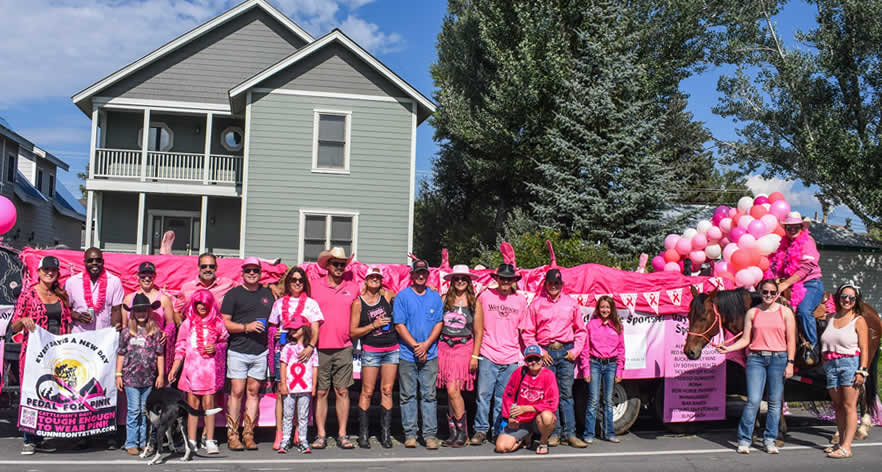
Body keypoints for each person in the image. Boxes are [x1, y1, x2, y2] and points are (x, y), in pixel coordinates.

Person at [717, 279, 796, 454]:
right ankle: (744, 439)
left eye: (772, 292)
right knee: (753, 401)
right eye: (765, 292)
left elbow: (791, 340)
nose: (769, 295)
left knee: (775, 403)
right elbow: (745, 340)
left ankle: (770, 439)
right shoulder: (753, 312)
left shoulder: (786, 312)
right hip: (756, 360)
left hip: (779, 359)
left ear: (777, 294)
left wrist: (790, 363)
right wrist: (727, 348)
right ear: (760, 292)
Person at [64, 247, 124, 449]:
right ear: (84, 261)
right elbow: (66, 310)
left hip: (104, 345)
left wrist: (115, 330)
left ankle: (108, 432)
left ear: (103, 260)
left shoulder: (114, 282)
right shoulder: (72, 283)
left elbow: (116, 309)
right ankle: (84, 433)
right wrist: (78, 316)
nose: (94, 264)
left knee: (106, 387)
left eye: (98, 260)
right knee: (82, 388)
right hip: (80, 343)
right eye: (90, 261)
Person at [520, 269, 588, 448]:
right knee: (550, 396)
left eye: (557, 283)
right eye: (551, 283)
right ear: (546, 284)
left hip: (565, 352)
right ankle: (554, 433)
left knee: (566, 394)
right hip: (546, 353)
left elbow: (581, 331)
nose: (554, 286)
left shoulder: (571, 304)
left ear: (562, 284)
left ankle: (571, 434)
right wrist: (541, 353)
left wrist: (575, 351)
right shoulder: (536, 304)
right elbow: (527, 333)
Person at [12, 256, 70, 455]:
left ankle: (41, 435)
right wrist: (24, 320)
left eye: (53, 270)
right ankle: (29, 438)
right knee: (30, 393)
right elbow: (14, 324)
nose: (49, 272)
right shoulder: (28, 294)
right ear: (38, 272)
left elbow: (68, 322)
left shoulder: (61, 295)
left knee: (48, 392)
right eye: (46, 269)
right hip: (33, 353)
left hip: (55, 353)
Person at [220, 257, 275, 451]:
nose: (252, 274)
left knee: (253, 393)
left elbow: (276, 320)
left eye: (255, 271)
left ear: (260, 273)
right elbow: (224, 323)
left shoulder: (268, 294)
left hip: (260, 351)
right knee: (236, 392)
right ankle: (232, 435)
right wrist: (246, 327)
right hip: (238, 350)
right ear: (242, 273)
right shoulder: (233, 295)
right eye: (248, 271)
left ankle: (248, 434)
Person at [471, 263, 528, 445]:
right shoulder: (485, 297)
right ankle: (480, 430)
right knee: (483, 395)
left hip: (511, 356)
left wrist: (525, 355)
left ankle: (498, 430)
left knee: (503, 398)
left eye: (508, 279)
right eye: (502, 278)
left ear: (513, 281)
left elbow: (523, 330)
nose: (505, 281)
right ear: (496, 279)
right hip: (488, 353)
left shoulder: (520, 301)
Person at [268, 266, 323, 450]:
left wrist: (310, 347)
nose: (297, 283)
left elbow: (315, 329)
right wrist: (274, 334)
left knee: (302, 394)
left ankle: (300, 432)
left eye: (300, 280)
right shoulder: (278, 304)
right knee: (282, 394)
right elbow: (272, 327)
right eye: (294, 279)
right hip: (282, 352)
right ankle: (281, 433)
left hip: (304, 352)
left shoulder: (311, 304)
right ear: (288, 282)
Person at [169, 289, 230, 455]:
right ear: (194, 305)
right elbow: (180, 347)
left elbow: (224, 342)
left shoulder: (218, 323)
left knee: (209, 404)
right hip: (191, 371)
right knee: (192, 406)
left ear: (211, 304)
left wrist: (216, 347)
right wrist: (175, 368)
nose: (202, 306)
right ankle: (192, 440)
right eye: (198, 303)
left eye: (205, 303)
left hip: (209, 371)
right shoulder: (187, 324)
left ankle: (210, 440)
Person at [310, 248, 359, 450]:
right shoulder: (313, 286)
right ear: (327, 265)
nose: (339, 267)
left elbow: (378, 294)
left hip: (344, 347)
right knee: (321, 392)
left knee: (342, 391)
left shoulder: (354, 287)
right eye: (335, 264)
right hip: (319, 347)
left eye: (342, 264)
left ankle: (342, 434)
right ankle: (320, 435)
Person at [394, 259, 444, 449]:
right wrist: (416, 346)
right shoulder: (403, 297)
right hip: (408, 354)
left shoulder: (435, 297)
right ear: (412, 275)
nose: (421, 275)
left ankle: (430, 435)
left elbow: (439, 323)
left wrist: (426, 345)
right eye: (418, 273)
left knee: (429, 395)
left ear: (427, 275)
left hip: (430, 355)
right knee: (407, 395)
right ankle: (410, 434)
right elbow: (399, 324)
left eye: (424, 272)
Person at [765, 211, 825, 364]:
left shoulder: (807, 242)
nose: (792, 230)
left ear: (801, 227)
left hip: (810, 284)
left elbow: (806, 268)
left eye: (795, 227)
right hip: (789, 284)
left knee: (804, 311)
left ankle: (812, 347)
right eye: (788, 228)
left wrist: (785, 283)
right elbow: (777, 265)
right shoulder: (784, 244)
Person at [349, 265, 398, 449]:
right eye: (372, 277)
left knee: (387, 390)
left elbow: (403, 295)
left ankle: (385, 434)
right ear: (366, 280)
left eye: (378, 277)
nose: (375, 280)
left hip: (391, 348)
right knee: (367, 391)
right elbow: (353, 332)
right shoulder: (358, 303)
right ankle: (364, 434)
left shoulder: (387, 296)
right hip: (371, 349)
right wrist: (373, 325)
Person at [820, 283, 870, 459]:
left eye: (851, 298)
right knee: (838, 406)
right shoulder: (831, 318)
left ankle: (847, 447)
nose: (847, 300)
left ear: (856, 301)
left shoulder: (859, 320)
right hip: (830, 365)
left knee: (849, 406)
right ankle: (840, 443)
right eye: (844, 296)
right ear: (838, 297)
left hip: (849, 364)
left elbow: (865, 348)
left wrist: (862, 371)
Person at [437, 264, 484, 447]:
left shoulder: (475, 302)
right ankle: (453, 433)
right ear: (452, 281)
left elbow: (479, 332)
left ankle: (463, 433)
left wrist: (475, 356)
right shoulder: (444, 300)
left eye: (464, 278)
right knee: (450, 393)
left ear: (469, 281)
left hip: (464, 348)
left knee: (453, 389)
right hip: (444, 347)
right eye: (457, 278)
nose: (460, 281)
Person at [116, 293, 165, 455]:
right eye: (138, 311)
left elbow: (160, 355)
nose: (141, 313)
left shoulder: (155, 331)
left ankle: (143, 442)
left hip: (148, 378)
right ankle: (131, 442)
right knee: (133, 410)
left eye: (144, 310)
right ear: (132, 313)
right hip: (131, 378)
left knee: (145, 411)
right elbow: (121, 354)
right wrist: (118, 374)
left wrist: (160, 375)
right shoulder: (126, 332)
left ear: (149, 311)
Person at [495, 345, 559, 455]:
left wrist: (527, 408)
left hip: (537, 419)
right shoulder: (519, 372)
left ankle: (543, 442)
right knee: (502, 447)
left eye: (537, 359)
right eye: (530, 359)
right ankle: (524, 436)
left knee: (548, 417)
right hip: (521, 420)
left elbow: (552, 403)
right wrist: (510, 416)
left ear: (542, 360)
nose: (533, 362)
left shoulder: (549, 375)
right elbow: (508, 395)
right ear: (525, 361)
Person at [579, 295, 625, 444]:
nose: (605, 310)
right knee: (593, 400)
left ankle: (609, 433)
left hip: (611, 365)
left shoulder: (617, 325)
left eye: (607, 307)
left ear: (611, 309)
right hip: (594, 364)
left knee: (608, 400)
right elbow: (585, 349)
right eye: (602, 307)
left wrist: (619, 371)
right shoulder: (591, 325)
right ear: (598, 309)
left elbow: (621, 349)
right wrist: (585, 370)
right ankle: (589, 433)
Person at [122, 262, 175, 374]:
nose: (146, 278)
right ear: (137, 276)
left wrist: (167, 333)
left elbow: (171, 323)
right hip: (134, 352)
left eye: (150, 275)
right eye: (143, 275)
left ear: (154, 276)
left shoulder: (164, 299)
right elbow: (124, 326)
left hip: (155, 350)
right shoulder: (128, 299)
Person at [278, 315, 319, 454]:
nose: (292, 330)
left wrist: (313, 386)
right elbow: (283, 366)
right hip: (290, 387)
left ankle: (302, 440)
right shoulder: (287, 348)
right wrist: (283, 384)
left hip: (305, 387)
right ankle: (285, 440)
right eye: (290, 328)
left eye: (296, 327)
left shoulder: (311, 349)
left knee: (303, 415)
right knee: (288, 415)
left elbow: (315, 367)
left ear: (305, 329)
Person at [173, 252, 236, 323]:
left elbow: (246, 288)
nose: (208, 269)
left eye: (211, 266)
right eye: (204, 266)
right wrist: (182, 327)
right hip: (193, 330)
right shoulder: (187, 288)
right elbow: (177, 311)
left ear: (216, 268)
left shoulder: (227, 284)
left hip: (218, 330)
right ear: (198, 268)